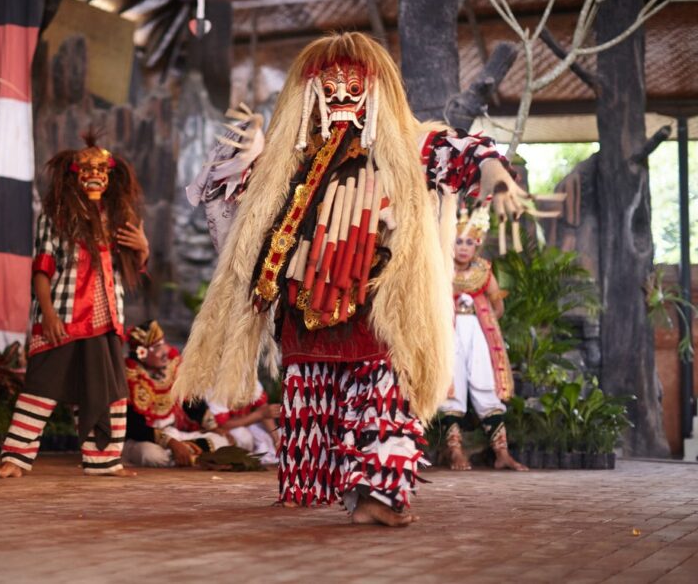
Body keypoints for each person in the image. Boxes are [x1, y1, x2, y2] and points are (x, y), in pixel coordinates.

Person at [176, 32, 527, 526]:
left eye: (353, 86)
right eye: (330, 86)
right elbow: (234, 216)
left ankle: (376, 498)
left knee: (383, 396)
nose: (342, 95)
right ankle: (328, 486)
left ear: (375, 91)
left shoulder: (406, 146)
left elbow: (457, 149)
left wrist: (494, 174)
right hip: (303, 306)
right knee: (313, 402)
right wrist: (247, 159)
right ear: (311, 93)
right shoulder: (290, 157)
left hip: (373, 303)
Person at [0, 134, 149, 479]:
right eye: (86, 168)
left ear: (111, 174)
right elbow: (42, 266)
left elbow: (130, 269)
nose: (94, 175)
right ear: (72, 173)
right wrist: (47, 314)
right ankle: (15, 459)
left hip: (106, 319)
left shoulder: (119, 216)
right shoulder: (57, 214)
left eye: (101, 169)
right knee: (41, 388)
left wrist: (143, 247)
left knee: (110, 392)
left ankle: (104, 461)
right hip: (64, 314)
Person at [439, 207, 527, 471]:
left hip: (478, 335)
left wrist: (482, 313)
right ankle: (455, 453)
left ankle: (502, 454)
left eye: (469, 242)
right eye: (458, 241)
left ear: (476, 244)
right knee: (450, 390)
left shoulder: (483, 270)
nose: (463, 247)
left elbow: (497, 306)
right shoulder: (441, 268)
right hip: (448, 334)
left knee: (486, 387)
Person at [123, 321, 232, 467]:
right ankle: (186, 455)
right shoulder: (129, 377)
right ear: (141, 353)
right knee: (152, 455)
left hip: (173, 434)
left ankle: (184, 454)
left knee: (221, 441)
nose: (165, 351)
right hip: (143, 440)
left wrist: (214, 428)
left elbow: (192, 403)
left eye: (163, 344)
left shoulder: (173, 368)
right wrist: (171, 443)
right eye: (157, 347)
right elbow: (134, 427)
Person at [206, 383, 280, 465]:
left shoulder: (250, 379)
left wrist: (277, 440)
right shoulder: (217, 386)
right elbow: (223, 424)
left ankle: (263, 455)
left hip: (247, 424)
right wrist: (259, 415)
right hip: (225, 431)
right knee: (243, 435)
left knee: (280, 433)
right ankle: (249, 457)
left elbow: (264, 409)